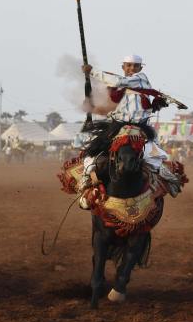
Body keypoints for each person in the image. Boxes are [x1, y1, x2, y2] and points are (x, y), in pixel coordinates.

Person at [78, 54, 183, 207]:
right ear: (123, 67)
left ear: (141, 68)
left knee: (153, 156)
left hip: (140, 128)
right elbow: (107, 104)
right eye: (128, 65)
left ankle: (168, 181)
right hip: (117, 126)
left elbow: (118, 80)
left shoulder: (139, 79)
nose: (132, 68)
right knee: (93, 153)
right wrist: (91, 102)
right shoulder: (118, 88)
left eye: (135, 66)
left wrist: (92, 72)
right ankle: (87, 182)